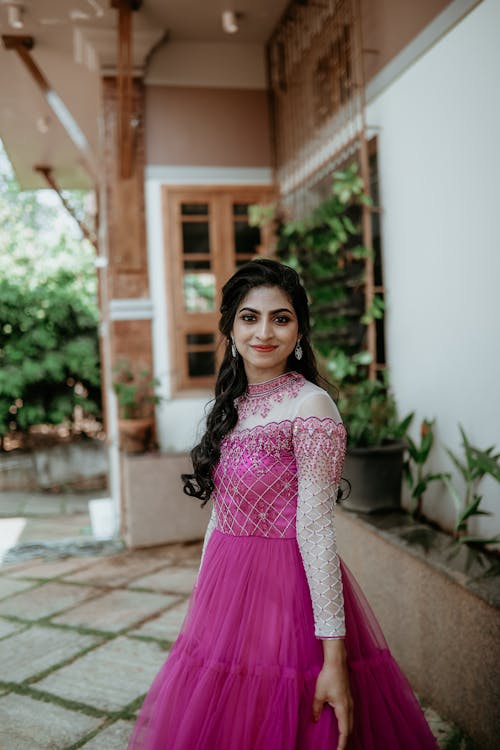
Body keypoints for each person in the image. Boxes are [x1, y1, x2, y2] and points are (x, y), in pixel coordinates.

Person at [129, 258, 437, 750]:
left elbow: (316, 531)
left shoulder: (311, 407)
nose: (264, 332)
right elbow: (221, 517)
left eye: (281, 317)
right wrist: (204, 597)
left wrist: (333, 661)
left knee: (282, 713)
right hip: (227, 589)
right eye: (249, 317)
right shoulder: (232, 406)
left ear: (299, 331)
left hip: (287, 585)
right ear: (231, 329)